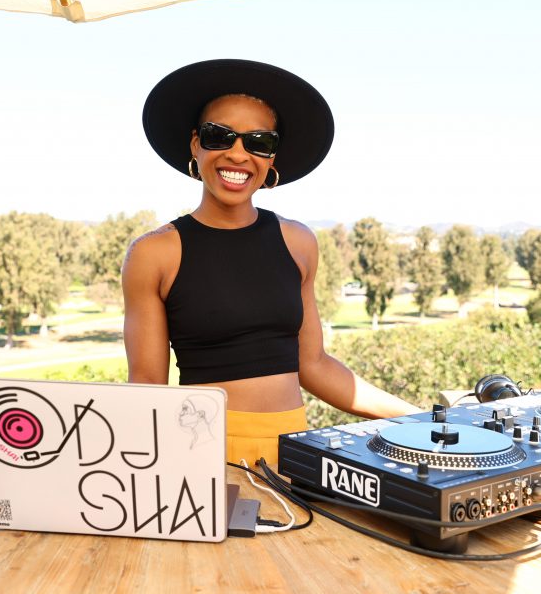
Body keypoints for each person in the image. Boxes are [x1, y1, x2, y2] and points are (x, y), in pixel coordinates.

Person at [123, 59, 420, 466]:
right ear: (195, 144)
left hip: (296, 454)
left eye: (258, 142)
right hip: (206, 458)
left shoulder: (299, 242)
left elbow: (312, 365)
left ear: (272, 157)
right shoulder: (154, 253)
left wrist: (419, 418)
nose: (238, 154)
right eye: (219, 136)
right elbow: (147, 387)